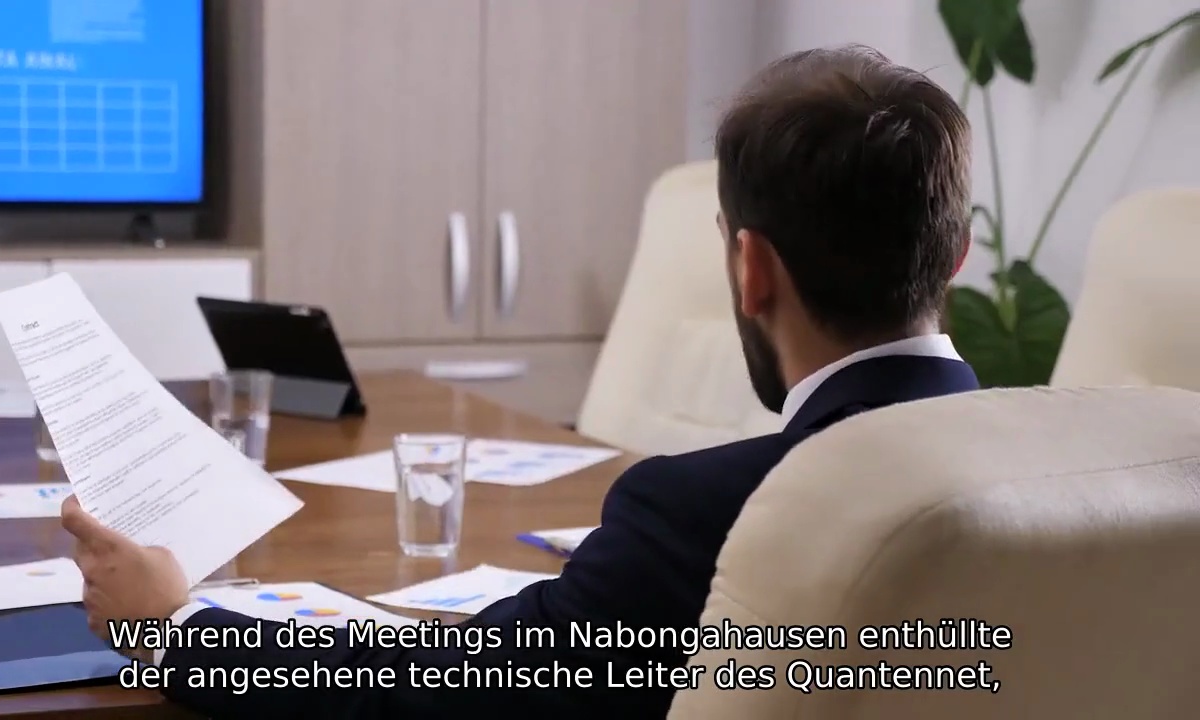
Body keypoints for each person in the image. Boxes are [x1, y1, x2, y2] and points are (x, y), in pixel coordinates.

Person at [61, 44, 979, 719]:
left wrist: (171, 627)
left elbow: (435, 695)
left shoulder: (708, 514)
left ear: (750, 269)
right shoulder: (1050, 470)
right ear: (957, 256)